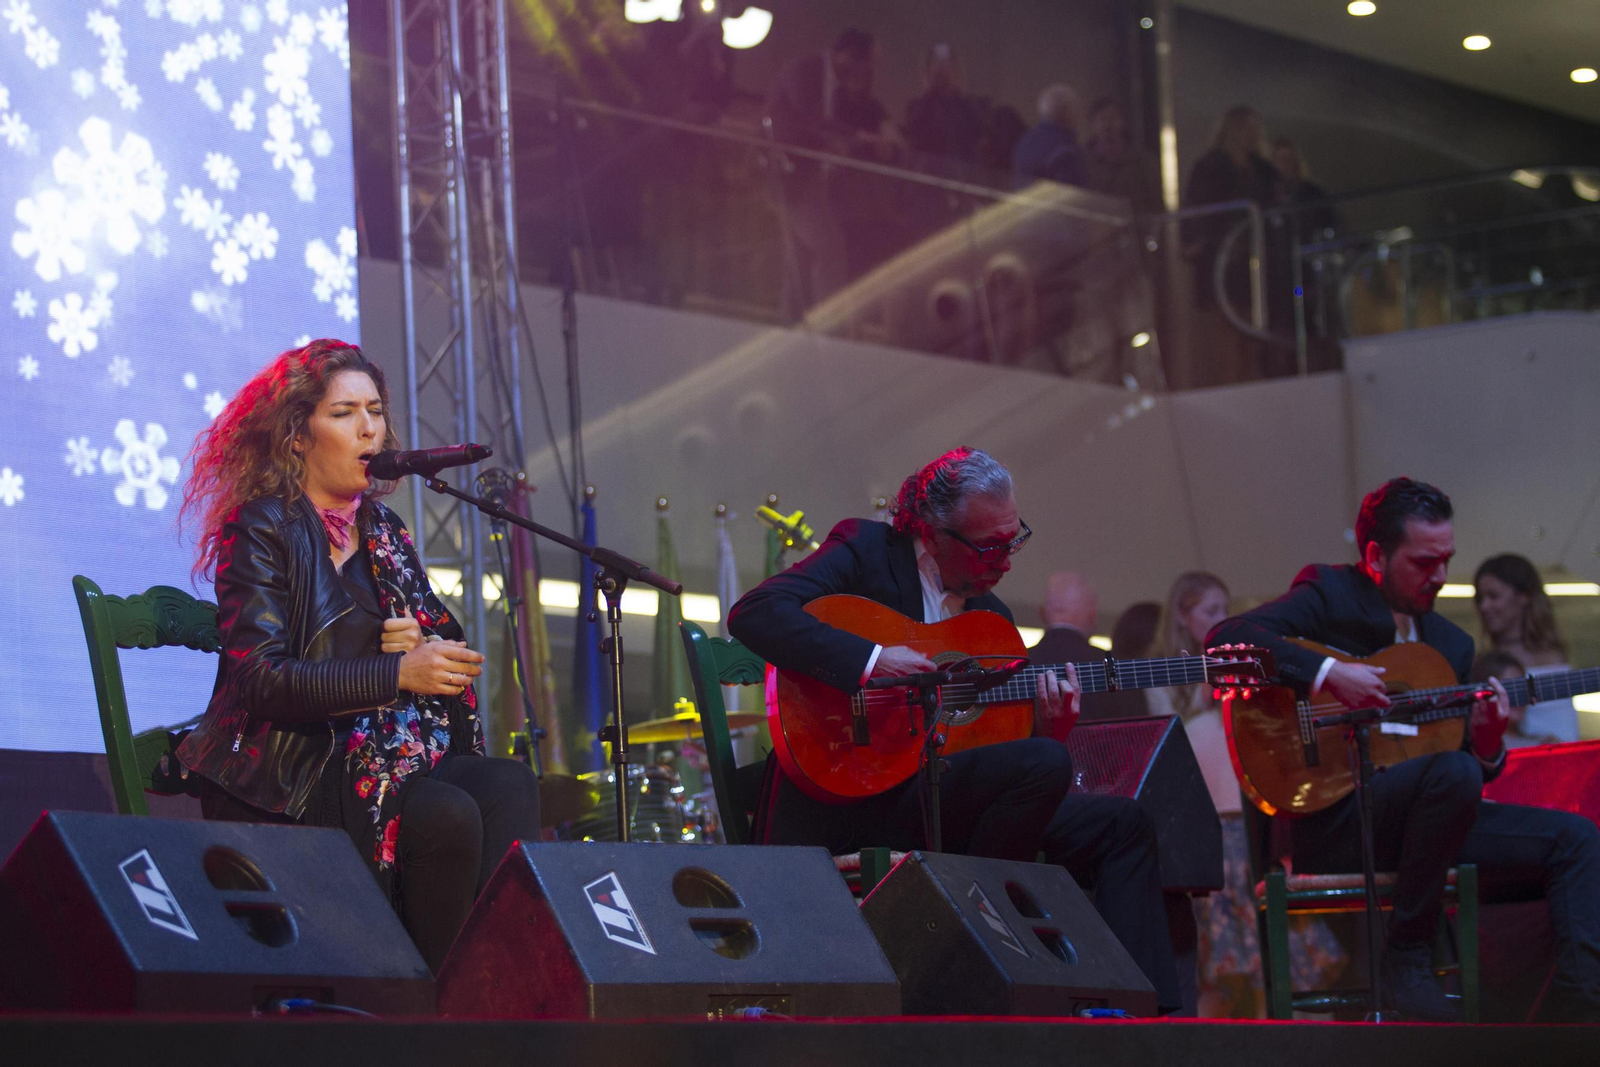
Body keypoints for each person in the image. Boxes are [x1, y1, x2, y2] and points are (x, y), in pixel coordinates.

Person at [728, 447, 1183, 1013]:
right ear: (931, 531)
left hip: (942, 801)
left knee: (1124, 823)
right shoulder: (866, 551)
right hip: (856, 794)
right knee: (1044, 767)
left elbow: (999, 761)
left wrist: (1051, 729)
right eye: (989, 546)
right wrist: (873, 660)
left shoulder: (993, 622)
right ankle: (977, 956)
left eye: (1013, 540)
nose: (1005, 561)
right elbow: (754, 612)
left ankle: (1146, 1019)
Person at [176, 339, 541, 973]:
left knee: (508, 783)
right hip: (296, 769)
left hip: (385, 751)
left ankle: (494, 984)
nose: (369, 428)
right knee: (446, 814)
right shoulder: (260, 528)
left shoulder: (384, 530)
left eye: (374, 410)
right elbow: (261, 680)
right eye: (344, 413)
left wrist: (426, 650)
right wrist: (394, 670)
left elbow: (428, 642)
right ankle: (425, 1005)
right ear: (297, 435)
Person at [1210, 477, 1600, 1022]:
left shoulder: (1451, 644)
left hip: (1429, 824)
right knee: (1454, 774)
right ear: (1375, 556)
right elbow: (1226, 640)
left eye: (1446, 560)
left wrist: (1488, 743)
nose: (1440, 576)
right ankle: (1407, 956)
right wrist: (1329, 673)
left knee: (1577, 838)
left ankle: (1577, 1015)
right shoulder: (1330, 593)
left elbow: (1464, 764)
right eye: (1423, 562)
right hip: (1342, 821)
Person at [1145, 572, 1345, 1017]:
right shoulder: (1162, 675)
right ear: (1183, 615)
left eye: (1224, 609)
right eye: (1210, 611)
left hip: (1246, 810)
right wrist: (1204, 694)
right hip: (1203, 817)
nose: (1221, 618)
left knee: (1274, 952)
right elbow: (1168, 740)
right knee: (1222, 965)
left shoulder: (1238, 659)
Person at [767, 28, 905, 313]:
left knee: (799, 257)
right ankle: (828, 323)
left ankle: (794, 323)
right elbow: (811, 122)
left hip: (804, 179)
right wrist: (858, 137)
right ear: (849, 57)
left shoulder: (833, 86)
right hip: (790, 176)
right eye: (867, 62)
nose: (868, 70)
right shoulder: (806, 72)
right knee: (829, 250)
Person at [1181, 105, 1277, 386]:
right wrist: (1196, 244)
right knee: (1225, 345)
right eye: (1249, 129)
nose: (1255, 135)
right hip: (1221, 267)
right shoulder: (1210, 167)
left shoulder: (1264, 171)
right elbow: (1195, 211)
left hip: (1256, 269)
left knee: (1254, 343)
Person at [1474, 553, 1580, 744]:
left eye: (1493, 596)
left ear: (1524, 596)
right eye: (1480, 598)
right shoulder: (1484, 661)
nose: (1484, 606)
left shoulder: (1553, 653)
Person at [1082, 96, 1162, 212]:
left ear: (1123, 122)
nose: (1108, 124)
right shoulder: (1082, 162)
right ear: (1092, 125)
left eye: (1113, 117)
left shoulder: (1142, 162)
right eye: (1102, 118)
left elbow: (1156, 204)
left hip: (1133, 222)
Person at [1011, 83, 1086, 189]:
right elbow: (1071, 194)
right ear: (1069, 111)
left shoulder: (1026, 138)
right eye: (1077, 109)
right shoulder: (1067, 150)